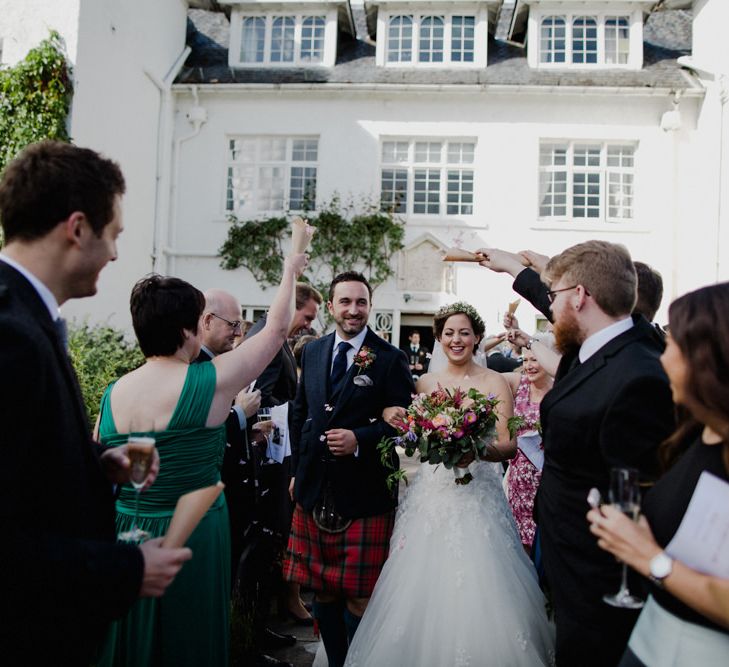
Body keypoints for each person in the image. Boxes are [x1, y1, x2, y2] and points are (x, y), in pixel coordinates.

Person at [0, 140, 191, 666]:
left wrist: (93, 468)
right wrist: (127, 570)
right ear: (78, 227)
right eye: (114, 235)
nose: (113, 253)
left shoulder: (24, 315)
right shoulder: (10, 335)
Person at [97, 251, 306, 666]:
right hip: (191, 531)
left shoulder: (113, 392)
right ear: (187, 330)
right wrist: (289, 269)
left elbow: (131, 470)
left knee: (134, 635)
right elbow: (278, 330)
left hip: (128, 531)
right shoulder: (207, 382)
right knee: (187, 636)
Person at [478, 241, 675, 666]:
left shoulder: (639, 374)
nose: (551, 309)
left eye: (555, 298)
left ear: (581, 296)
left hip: (598, 588)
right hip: (569, 573)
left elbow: (639, 500)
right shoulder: (599, 352)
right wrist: (515, 270)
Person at [344, 302, 554, 666]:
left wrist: (477, 450)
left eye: (464, 333)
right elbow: (409, 432)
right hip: (432, 495)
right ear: (439, 339)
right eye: (449, 333)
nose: (457, 340)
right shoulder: (423, 383)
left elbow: (508, 443)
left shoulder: (494, 382)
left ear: (476, 338)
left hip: (478, 493)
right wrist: (394, 419)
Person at [588, 283, 729, 666]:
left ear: (707, 360)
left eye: (673, 347)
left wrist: (652, 559)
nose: (662, 359)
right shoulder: (700, 432)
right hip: (651, 639)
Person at [284, 271, 415, 667]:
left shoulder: (391, 358)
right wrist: (295, 470)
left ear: (369, 306)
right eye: (345, 302)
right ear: (331, 307)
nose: (353, 310)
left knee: (360, 594)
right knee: (323, 591)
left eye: (360, 302)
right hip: (314, 487)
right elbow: (300, 413)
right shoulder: (313, 351)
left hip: (364, 491)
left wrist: (361, 438)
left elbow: (402, 423)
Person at [247, 283, 322, 631]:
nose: (308, 324)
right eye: (307, 316)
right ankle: (259, 620)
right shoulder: (270, 338)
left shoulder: (277, 338)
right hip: (271, 455)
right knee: (273, 531)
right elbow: (257, 398)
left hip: (283, 450)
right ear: (293, 306)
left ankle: (274, 610)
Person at [502, 345, 554, 551]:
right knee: (519, 541)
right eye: (525, 361)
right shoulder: (519, 384)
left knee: (544, 540)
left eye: (535, 360)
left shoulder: (559, 388)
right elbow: (486, 375)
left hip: (546, 478)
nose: (529, 366)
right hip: (518, 480)